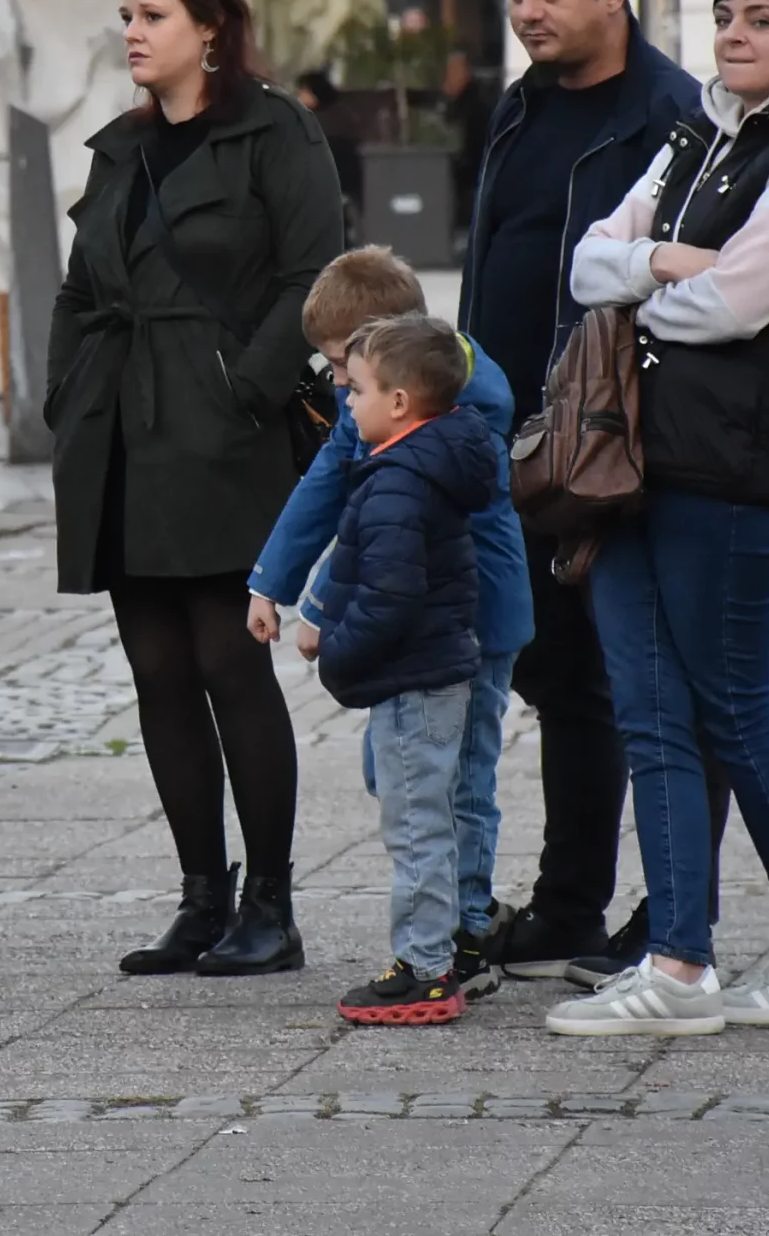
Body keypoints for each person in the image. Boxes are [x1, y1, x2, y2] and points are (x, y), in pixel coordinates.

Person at [549, 0, 769, 1037]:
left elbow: (739, 305)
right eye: (725, 15)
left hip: (735, 469)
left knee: (734, 716)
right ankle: (677, 966)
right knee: (651, 716)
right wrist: (665, 264)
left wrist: (671, 272)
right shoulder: (701, 130)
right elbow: (589, 263)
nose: (734, 34)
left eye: (762, 20)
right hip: (635, 462)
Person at [46, 0, 347, 976]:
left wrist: (247, 391)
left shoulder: (276, 133)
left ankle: (270, 905)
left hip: (226, 437)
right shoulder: (121, 149)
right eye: (126, 15)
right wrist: (64, 394)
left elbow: (314, 275)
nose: (131, 32)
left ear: (210, 30)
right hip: (121, 435)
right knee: (157, 671)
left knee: (231, 663)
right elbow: (81, 289)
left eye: (152, 16)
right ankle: (199, 896)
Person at [462, 0, 728, 984]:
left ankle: (670, 920)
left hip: (620, 440)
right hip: (516, 440)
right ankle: (570, 903)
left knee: (655, 682)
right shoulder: (521, 106)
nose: (527, 10)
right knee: (559, 675)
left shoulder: (674, 115)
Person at [247, 247, 532, 1001]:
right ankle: (452, 917)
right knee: (407, 774)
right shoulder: (384, 398)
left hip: (472, 616)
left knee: (459, 777)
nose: (337, 382)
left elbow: (379, 515)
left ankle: (462, 929)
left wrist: (329, 626)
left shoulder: (457, 400)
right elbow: (328, 487)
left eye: (344, 364)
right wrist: (276, 583)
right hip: (424, 615)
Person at [308, 315, 503, 1027]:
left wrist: (338, 651)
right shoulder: (425, 461)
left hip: (412, 677)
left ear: (398, 402)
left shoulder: (400, 478)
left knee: (417, 823)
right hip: (430, 669)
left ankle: (425, 968)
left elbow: (389, 594)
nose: (345, 399)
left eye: (355, 388)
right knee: (429, 813)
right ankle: (429, 954)